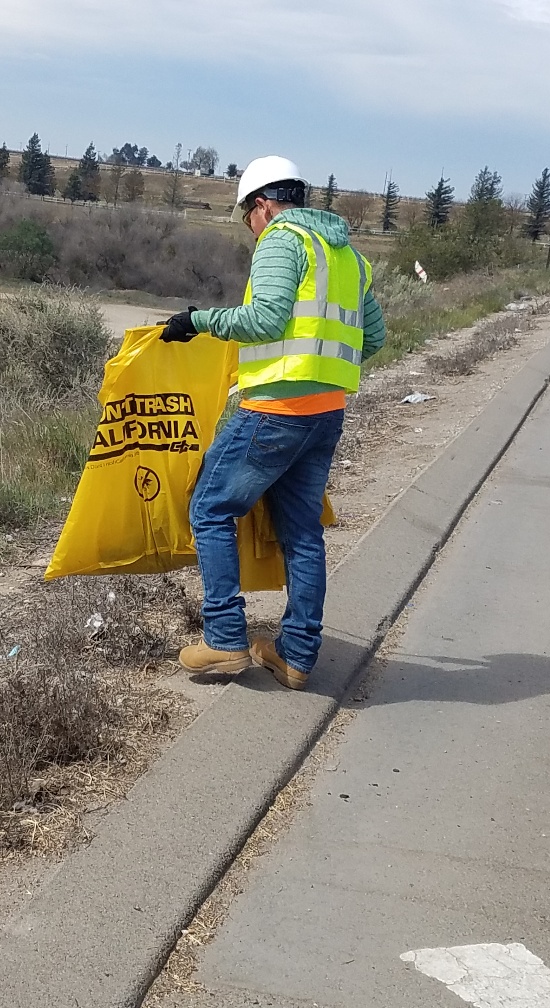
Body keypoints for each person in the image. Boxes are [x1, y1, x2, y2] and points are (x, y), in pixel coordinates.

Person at [161, 156, 386, 690]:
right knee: (302, 533)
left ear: (262, 204)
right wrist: (320, 372)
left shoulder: (282, 241)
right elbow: (370, 339)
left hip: (273, 413)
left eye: (247, 218)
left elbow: (263, 319)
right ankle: (296, 654)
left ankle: (224, 640)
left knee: (211, 508)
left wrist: (196, 321)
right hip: (326, 414)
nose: (251, 229)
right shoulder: (349, 255)